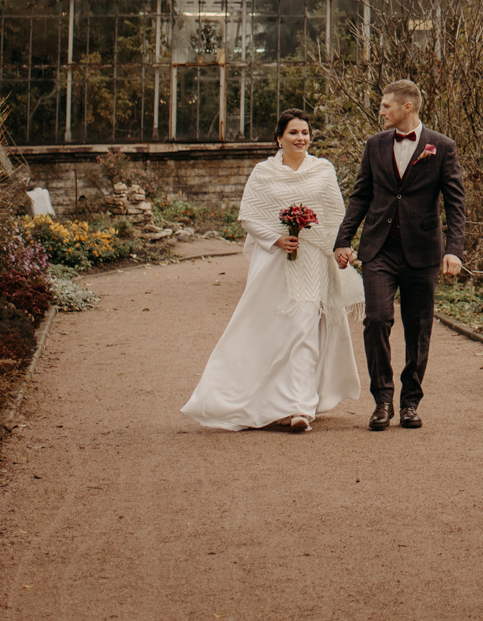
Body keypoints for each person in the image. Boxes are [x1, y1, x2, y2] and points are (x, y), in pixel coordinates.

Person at [181, 108, 363, 432]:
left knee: (305, 327)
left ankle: (300, 409)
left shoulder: (323, 170)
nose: (301, 138)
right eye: (293, 132)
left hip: (312, 265)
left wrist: (340, 247)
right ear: (279, 138)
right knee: (271, 331)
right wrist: (277, 238)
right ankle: (259, 399)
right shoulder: (263, 173)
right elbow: (248, 215)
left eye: (305, 132)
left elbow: (337, 217)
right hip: (275, 265)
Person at [331, 78, 466, 431]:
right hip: (379, 249)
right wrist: (342, 240)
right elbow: (361, 195)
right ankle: (382, 400)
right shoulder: (374, 145)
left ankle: (410, 403)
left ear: (407, 107)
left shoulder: (442, 147)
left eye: (386, 105)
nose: (380, 111)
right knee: (376, 319)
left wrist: (454, 250)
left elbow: (455, 204)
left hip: (422, 252)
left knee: (418, 328)